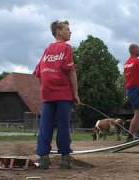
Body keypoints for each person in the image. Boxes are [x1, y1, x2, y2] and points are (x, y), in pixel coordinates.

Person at [34, 20, 80, 169]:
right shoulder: (66, 48)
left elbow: (38, 72)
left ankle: (43, 158)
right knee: (63, 125)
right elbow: (71, 71)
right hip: (63, 93)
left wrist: (43, 90)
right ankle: (65, 158)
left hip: (47, 94)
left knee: (45, 126)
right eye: (67, 29)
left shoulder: (47, 49)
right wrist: (76, 93)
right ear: (59, 31)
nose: (70, 32)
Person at [124, 44, 139, 141]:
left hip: (132, 89)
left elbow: (133, 77)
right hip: (136, 90)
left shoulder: (127, 63)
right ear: (134, 50)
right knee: (138, 113)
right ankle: (130, 136)